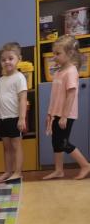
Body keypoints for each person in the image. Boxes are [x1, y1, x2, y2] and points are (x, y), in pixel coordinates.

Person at [44, 35, 90, 180]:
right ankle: (59, 170)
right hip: (56, 113)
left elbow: (71, 95)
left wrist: (64, 116)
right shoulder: (58, 72)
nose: (54, 57)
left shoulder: (71, 71)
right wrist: (50, 114)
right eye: (53, 53)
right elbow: (55, 96)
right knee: (56, 143)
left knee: (63, 143)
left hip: (66, 115)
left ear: (69, 53)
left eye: (58, 53)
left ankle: (85, 165)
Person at [0, 42, 27, 183]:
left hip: (15, 117)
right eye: (3, 59)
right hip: (3, 118)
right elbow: (0, 99)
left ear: (19, 59)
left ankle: (18, 172)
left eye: (10, 58)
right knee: (6, 147)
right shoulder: (1, 80)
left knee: (16, 146)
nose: (7, 62)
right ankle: (8, 171)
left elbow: (23, 99)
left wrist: (22, 118)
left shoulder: (19, 77)